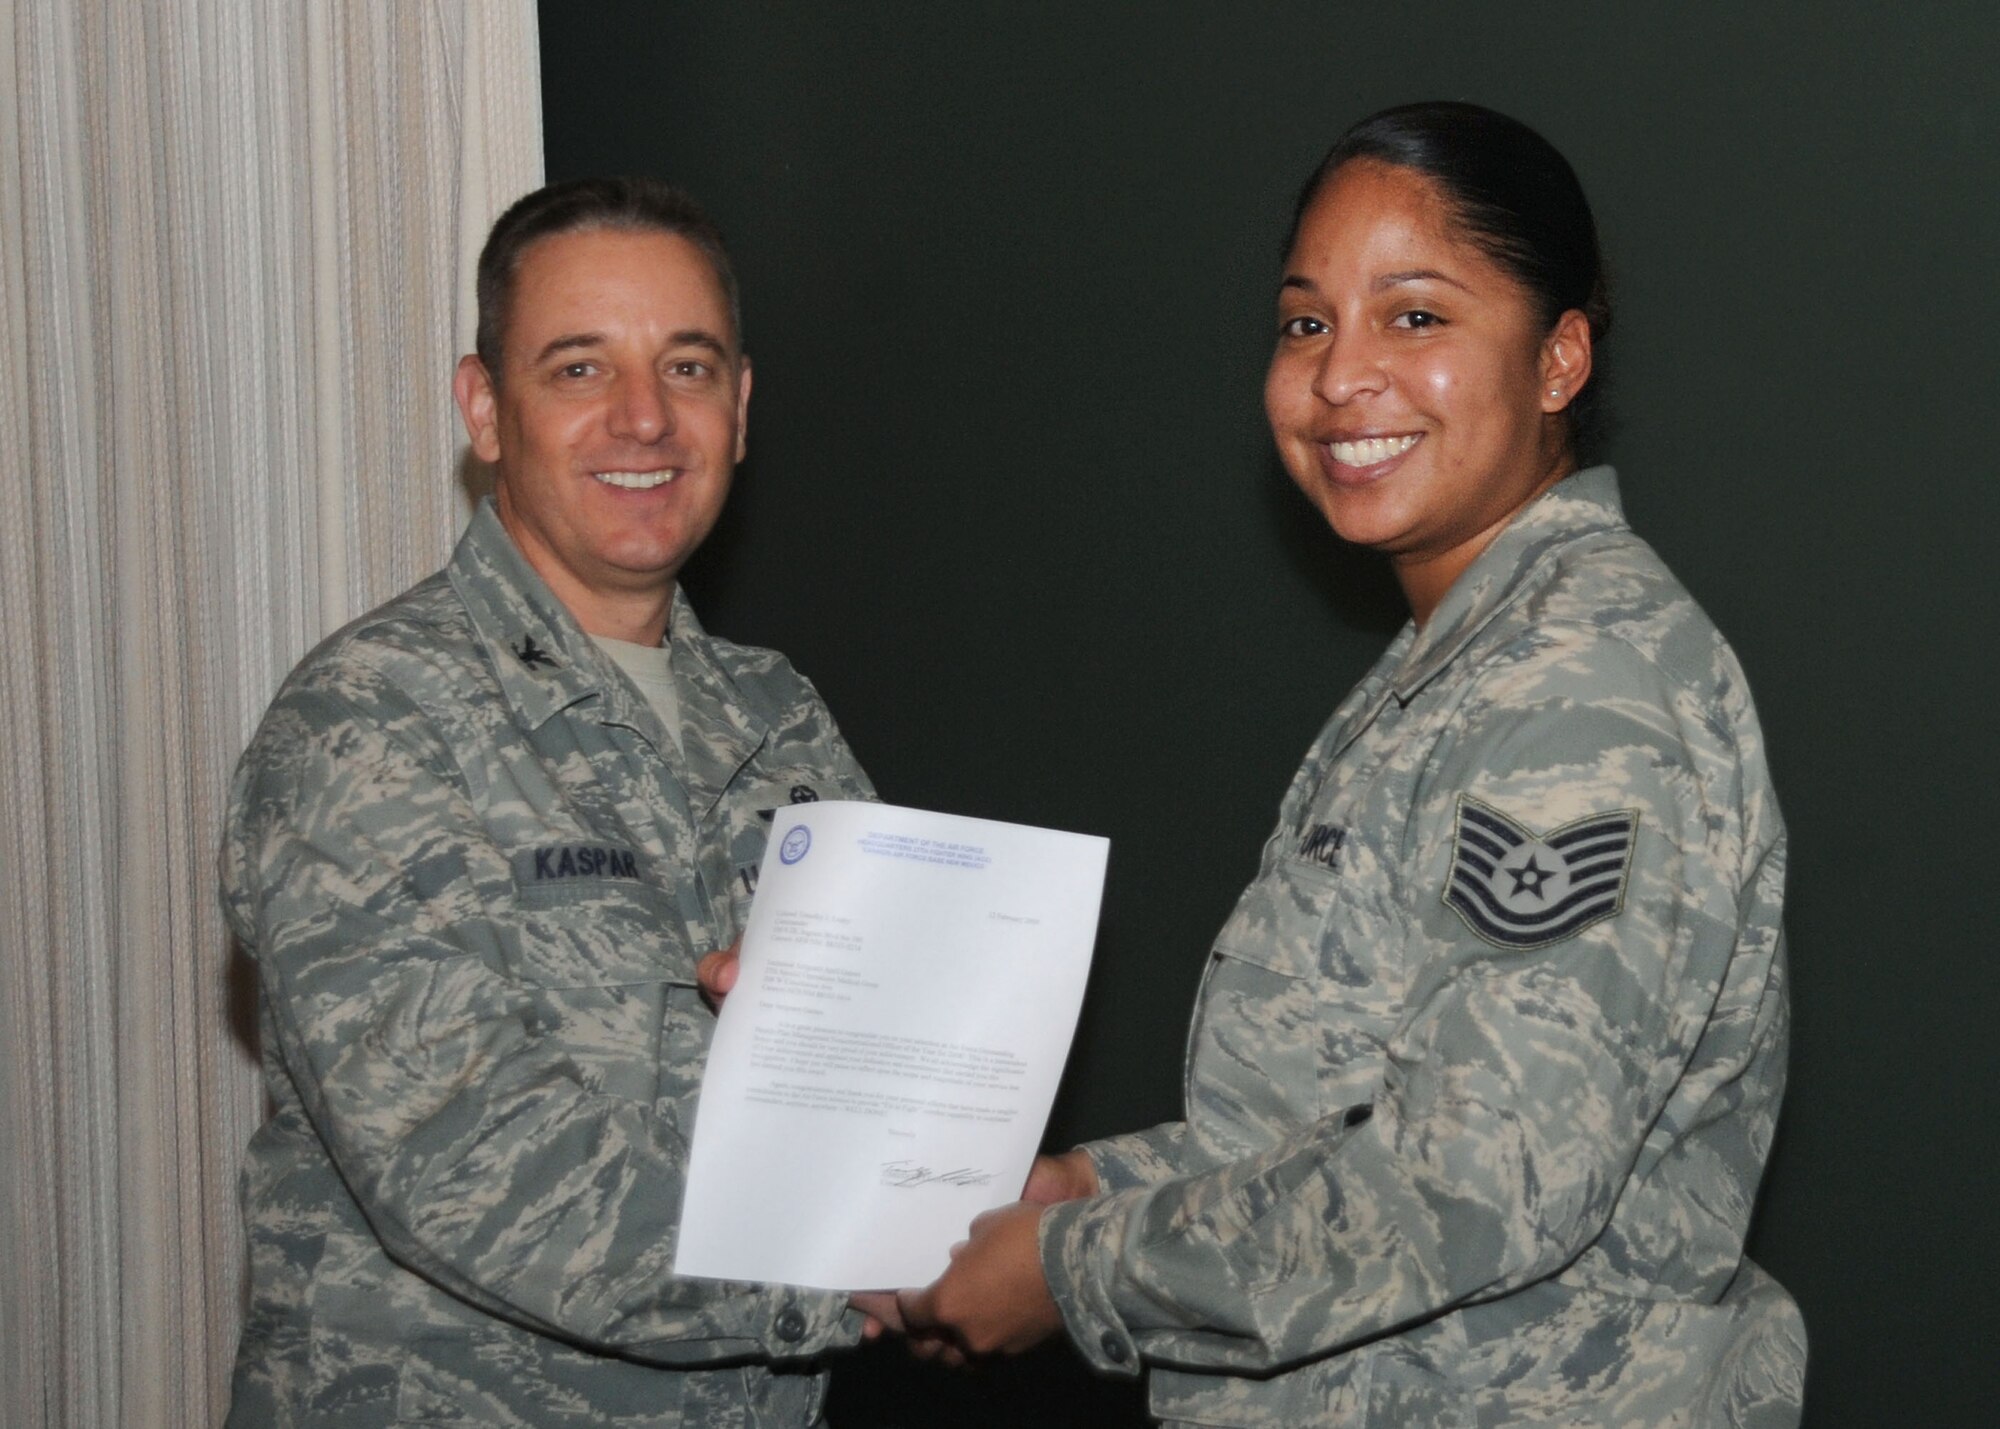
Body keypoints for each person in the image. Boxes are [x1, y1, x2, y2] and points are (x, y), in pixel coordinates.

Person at [886, 102, 1807, 1425]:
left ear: (1559, 361)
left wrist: (1074, 1270)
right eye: (1306, 321)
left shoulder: (1582, 685)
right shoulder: (1461, 656)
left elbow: (1481, 1181)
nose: (1340, 375)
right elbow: (1343, 1119)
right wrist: (1096, 1190)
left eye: (1416, 317)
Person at [220, 178, 878, 1427]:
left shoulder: (779, 717)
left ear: (739, 410)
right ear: (484, 408)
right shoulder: (367, 724)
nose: (644, 418)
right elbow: (473, 1170)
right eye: (579, 370)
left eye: (687, 368)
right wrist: (872, 1283)